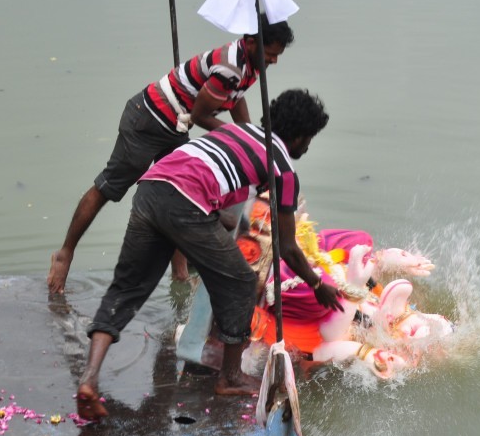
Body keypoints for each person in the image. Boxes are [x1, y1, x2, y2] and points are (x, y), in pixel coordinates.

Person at [76, 88, 342, 420]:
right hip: (185, 205)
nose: (308, 146)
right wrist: (317, 285)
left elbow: (216, 188)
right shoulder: (283, 170)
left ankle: (89, 379)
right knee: (242, 281)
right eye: (310, 139)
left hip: (150, 190)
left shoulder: (234, 131)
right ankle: (230, 377)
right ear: (301, 136)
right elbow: (287, 247)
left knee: (127, 288)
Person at [47, 15, 295, 295]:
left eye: (277, 55)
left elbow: (236, 97)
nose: (274, 60)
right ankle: (65, 254)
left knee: (180, 192)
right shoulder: (230, 68)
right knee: (109, 188)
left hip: (175, 125)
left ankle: (180, 271)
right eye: (270, 53)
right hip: (148, 120)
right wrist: (240, 139)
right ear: (250, 42)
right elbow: (200, 116)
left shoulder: (251, 65)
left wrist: (248, 133)